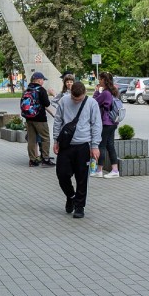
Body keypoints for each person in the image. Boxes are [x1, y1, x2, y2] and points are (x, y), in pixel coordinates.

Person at [52, 81, 101, 219]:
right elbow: (58, 121)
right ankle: (71, 196)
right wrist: (56, 140)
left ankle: (79, 206)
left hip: (83, 145)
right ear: (70, 92)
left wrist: (95, 146)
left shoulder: (92, 103)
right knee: (62, 174)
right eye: (74, 98)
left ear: (84, 94)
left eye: (78, 99)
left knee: (81, 178)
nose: (75, 101)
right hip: (66, 144)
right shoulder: (64, 101)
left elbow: (96, 125)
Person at [22, 71, 56, 167]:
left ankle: (32, 160)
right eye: (42, 80)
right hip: (40, 118)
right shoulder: (41, 90)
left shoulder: (27, 89)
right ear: (39, 80)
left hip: (29, 118)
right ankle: (45, 159)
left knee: (32, 139)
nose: (43, 82)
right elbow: (46, 104)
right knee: (45, 138)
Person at [91, 72, 120, 178]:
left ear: (104, 80)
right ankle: (115, 170)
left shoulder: (105, 93)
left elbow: (94, 102)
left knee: (101, 146)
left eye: (100, 79)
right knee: (110, 146)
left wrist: (96, 92)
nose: (99, 81)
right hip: (113, 122)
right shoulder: (113, 91)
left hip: (106, 122)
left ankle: (99, 170)